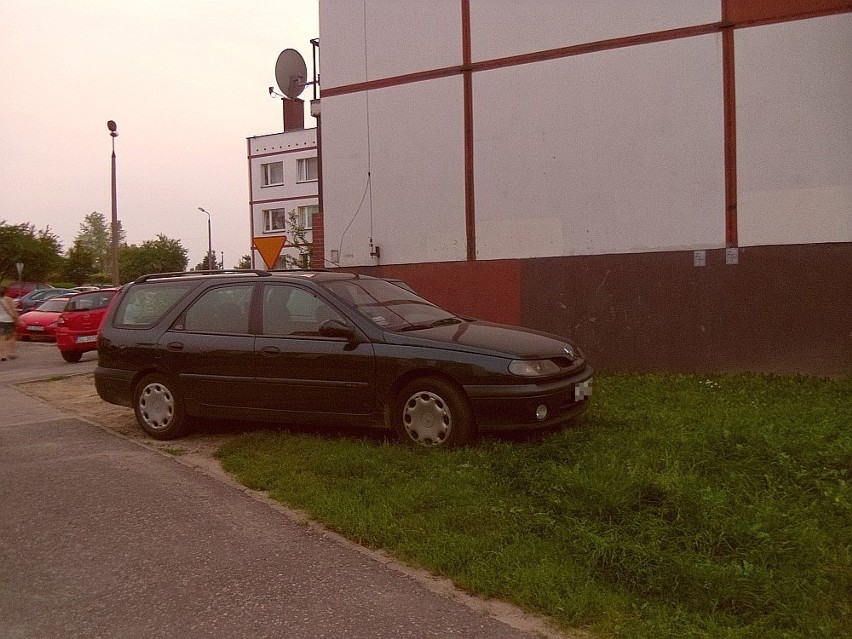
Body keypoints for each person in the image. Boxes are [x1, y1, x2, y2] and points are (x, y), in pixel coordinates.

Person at [0, 285, 20, 361]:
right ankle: (11, 353)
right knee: (12, 337)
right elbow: (13, 311)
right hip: (8, 320)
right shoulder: (8, 300)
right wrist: (17, 319)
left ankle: (2, 355)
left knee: (1, 339)